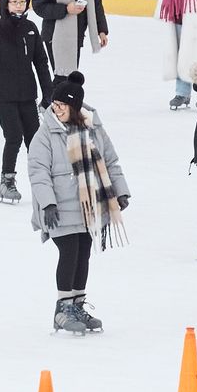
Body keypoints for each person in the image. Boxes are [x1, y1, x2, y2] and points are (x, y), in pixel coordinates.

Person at [29, 78, 128, 337]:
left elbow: (110, 161)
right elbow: (38, 172)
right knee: (69, 252)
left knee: (83, 253)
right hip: (59, 209)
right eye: (55, 103)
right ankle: (63, 309)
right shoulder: (46, 134)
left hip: (89, 206)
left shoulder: (93, 128)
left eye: (63, 105)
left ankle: (77, 305)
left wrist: (120, 191)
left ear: (75, 107)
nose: (57, 109)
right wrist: (47, 203)